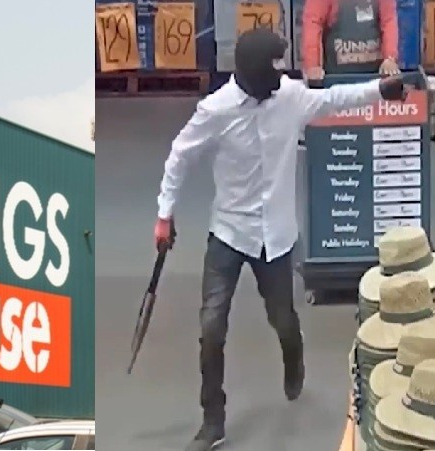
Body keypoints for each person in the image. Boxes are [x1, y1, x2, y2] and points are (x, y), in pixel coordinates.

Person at [153, 28, 406, 451]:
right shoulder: (216, 110)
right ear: (251, 74)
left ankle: (294, 353)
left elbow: (334, 100)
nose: (281, 77)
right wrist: (165, 214)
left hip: (276, 236)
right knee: (211, 327)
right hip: (228, 232)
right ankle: (212, 421)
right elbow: (180, 155)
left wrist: (381, 89)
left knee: (282, 318)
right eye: (272, 71)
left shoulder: (289, 97)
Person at [302, 0, 399, 80]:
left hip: (375, 80)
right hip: (335, 81)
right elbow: (313, 24)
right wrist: (313, 65)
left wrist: (390, 58)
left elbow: (388, 22)